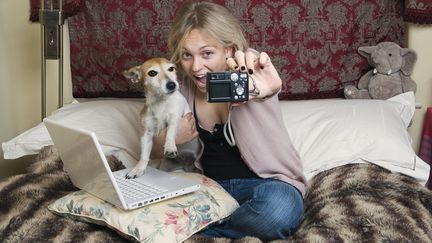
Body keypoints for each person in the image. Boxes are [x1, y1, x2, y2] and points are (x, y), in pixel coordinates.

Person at [152, 1, 306, 241]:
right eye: (186, 55)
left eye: (207, 53)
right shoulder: (178, 85)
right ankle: (216, 222)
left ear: (228, 49)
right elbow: (153, 146)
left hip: (266, 186)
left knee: (278, 211)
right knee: (152, 204)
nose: (196, 66)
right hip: (209, 190)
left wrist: (264, 90)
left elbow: (263, 84)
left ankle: (199, 228)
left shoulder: (250, 67)